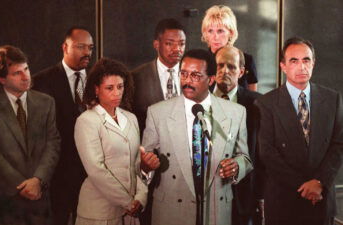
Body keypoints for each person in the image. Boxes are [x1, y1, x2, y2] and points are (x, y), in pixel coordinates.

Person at [142, 49, 253, 225]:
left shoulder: (236, 113)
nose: (187, 81)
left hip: (216, 211)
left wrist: (237, 166)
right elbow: (143, 163)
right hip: (171, 211)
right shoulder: (157, 113)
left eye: (195, 75)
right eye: (184, 74)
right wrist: (145, 166)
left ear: (211, 79)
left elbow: (245, 157)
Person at [256, 37, 343, 225]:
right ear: (283, 66)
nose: (301, 66)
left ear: (314, 63)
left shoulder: (332, 98)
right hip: (283, 201)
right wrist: (304, 187)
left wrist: (319, 183)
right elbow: (267, 153)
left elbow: (338, 145)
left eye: (306, 60)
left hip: (321, 199)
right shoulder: (266, 103)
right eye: (294, 61)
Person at [0, 45, 60, 225]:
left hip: (39, 197)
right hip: (2, 200)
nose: (26, 76)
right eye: (17, 73)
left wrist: (38, 180)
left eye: (26, 69)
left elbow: (53, 143)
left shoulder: (46, 103)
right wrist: (22, 185)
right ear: (2, 79)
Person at [74, 58, 148, 225]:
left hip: (131, 211)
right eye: (110, 88)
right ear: (96, 89)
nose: (117, 93)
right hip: (99, 212)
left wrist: (140, 198)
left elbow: (136, 165)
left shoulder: (131, 118)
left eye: (120, 87)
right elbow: (96, 169)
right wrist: (127, 202)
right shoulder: (87, 121)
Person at [32, 26, 94, 225]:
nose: (87, 53)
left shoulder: (98, 80)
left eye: (90, 48)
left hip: (92, 173)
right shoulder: (42, 81)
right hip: (58, 174)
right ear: (64, 47)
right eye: (81, 47)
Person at [214, 46, 264, 225]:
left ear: (241, 71)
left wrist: (260, 195)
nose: (224, 71)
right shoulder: (199, 101)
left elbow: (261, 155)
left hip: (244, 195)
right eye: (220, 66)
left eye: (231, 67)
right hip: (207, 193)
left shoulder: (257, 104)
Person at [132, 18, 186, 135]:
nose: (177, 49)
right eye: (169, 43)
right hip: (151, 149)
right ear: (156, 44)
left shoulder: (193, 75)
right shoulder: (136, 77)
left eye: (181, 44)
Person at [201, 5, 258, 91]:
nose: (215, 37)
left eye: (220, 31)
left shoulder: (247, 60)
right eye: (210, 31)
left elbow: (253, 99)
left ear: (231, 32)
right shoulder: (200, 61)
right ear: (205, 33)